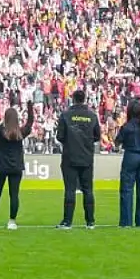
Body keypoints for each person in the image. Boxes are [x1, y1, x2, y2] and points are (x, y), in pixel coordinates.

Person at [0, 93, 34, 230]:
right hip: (16, 167)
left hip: (0, 166)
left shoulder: (0, 131)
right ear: (17, 119)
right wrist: (29, 105)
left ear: (5, 118)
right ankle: (12, 221)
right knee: (14, 195)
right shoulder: (21, 132)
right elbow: (30, 122)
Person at [55, 89, 101, 229]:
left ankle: (67, 222)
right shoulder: (92, 116)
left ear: (73, 99)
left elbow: (60, 136)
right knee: (88, 190)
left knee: (70, 189)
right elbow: (97, 136)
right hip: (86, 157)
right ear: (84, 99)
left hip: (70, 157)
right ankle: (90, 221)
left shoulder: (66, 115)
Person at [115, 100, 140, 228]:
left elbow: (117, 142)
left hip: (130, 155)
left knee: (127, 190)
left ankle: (126, 221)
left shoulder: (126, 126)